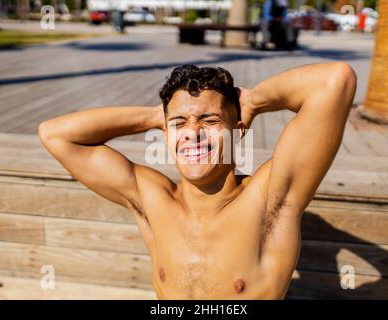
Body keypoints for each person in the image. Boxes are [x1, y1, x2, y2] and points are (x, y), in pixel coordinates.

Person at [38, 62, 357, 299]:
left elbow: (334, 81)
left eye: (210, 120)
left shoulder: (270, 200)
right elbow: (55, 135)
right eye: (180, 123)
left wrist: (254, 101)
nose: (192, 133)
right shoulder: (152, 199)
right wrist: (158, 118)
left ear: (238, 129)